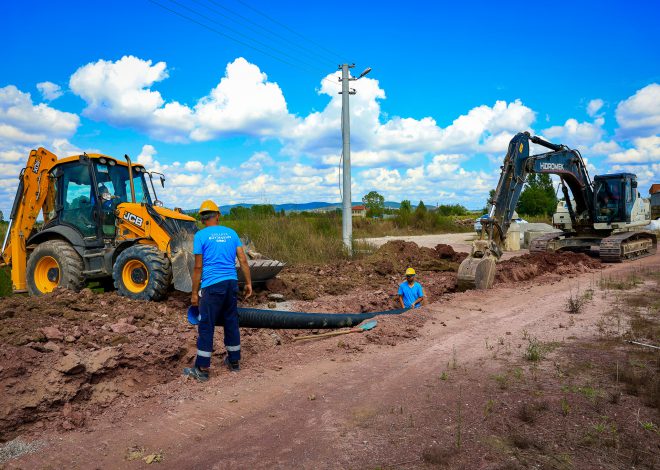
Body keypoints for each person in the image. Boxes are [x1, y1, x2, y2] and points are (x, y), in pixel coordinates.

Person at [183, 200, 253, 382]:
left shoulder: (200, 236)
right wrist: (248, 283)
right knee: (231, 320)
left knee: (206, 325)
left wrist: (193, 294)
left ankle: (202, 368)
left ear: (202, 218)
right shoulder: (231, 233)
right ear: (218, 215)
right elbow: (243, 260)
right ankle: (234, 362)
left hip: (212, 285)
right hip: (231, 283)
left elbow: (198, 267)